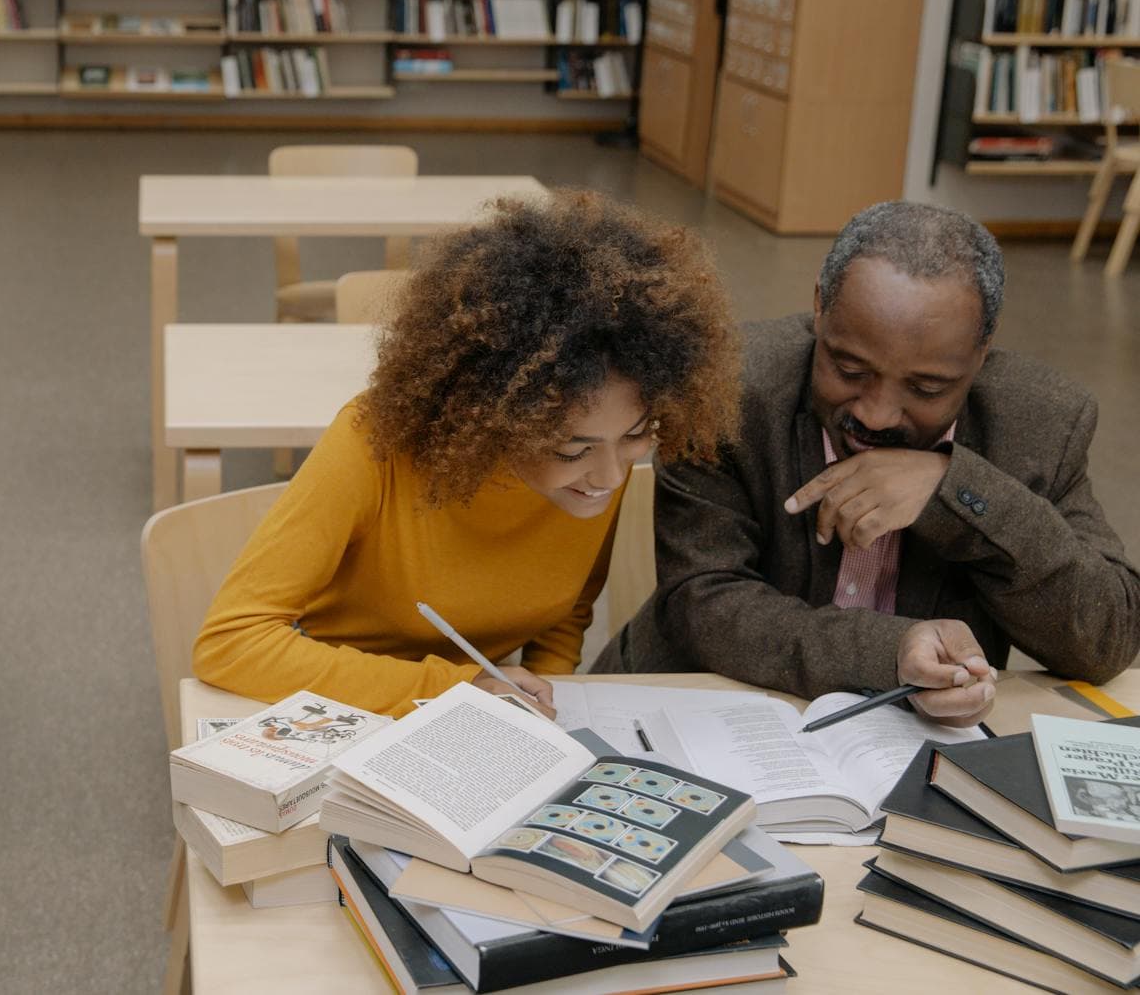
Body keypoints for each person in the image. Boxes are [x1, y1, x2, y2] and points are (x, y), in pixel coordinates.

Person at [191, 190, 741, 718]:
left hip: (473, 713)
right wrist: (454, 688)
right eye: (572, 449)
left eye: (637, 435)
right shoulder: (371, 444)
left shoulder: (595, 464)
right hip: (337, 700)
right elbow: (231, 643)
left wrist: (551, 687)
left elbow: (566, 609)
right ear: (500, 417)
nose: (612, 474)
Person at [597, 202, 1140, 727]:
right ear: (819, 307)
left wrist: (957, 491)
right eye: (849, 369)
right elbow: (703, 605)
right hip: (693, 711)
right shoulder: (728, 389)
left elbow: (1104, 638)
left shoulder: (1041, 422)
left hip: (901, 750)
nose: (876, 414)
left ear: (982, 350)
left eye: (927, 388)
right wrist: (889, 654)